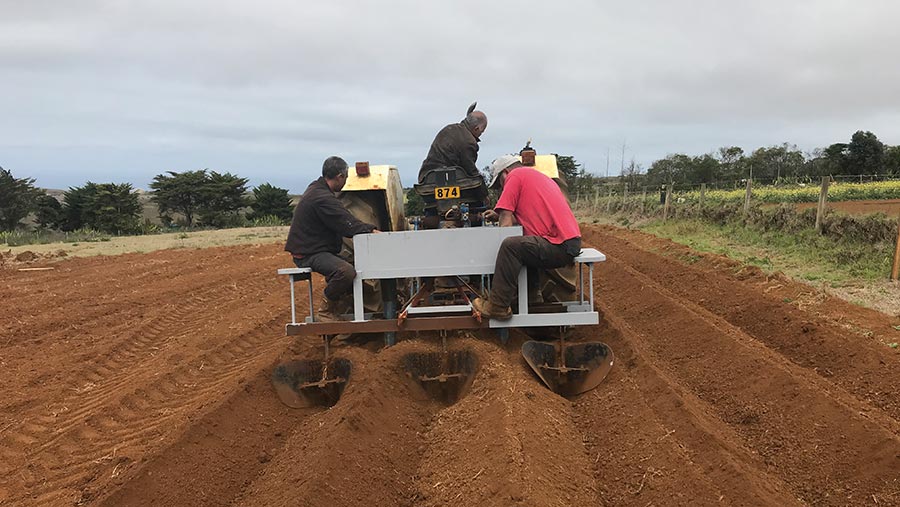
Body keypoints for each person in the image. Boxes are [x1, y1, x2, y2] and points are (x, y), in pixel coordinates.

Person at [472, 155, 582, 320]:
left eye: (500, 183)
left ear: (505, 172)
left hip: (558, 244)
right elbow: (530, 214)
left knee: (510, 246)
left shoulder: (514, 176)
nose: (502, 188)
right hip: (567, 241)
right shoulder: (538, 177)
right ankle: (532, 298)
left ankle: (498, 306)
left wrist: (498, 251)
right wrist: (498, 214)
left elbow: (506, 220)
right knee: (525, 246)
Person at [285, 156, 379, 321]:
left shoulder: (316, 188)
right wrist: (371, 230)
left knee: (352, 270)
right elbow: (347, 224)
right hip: (309, 253)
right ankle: (325, 311)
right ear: (339, 176)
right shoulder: (323, 198)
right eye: (346, 178)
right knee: (346, 272)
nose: (345, 182)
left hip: (315, 248)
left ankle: (345, 308)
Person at [417, 102, 488, 183]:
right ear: (476, 128)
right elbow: (471, 171)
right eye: (481, 132)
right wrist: (483, 193)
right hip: (452, 180)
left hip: (426, 178)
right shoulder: (469, 142)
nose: (480, 135)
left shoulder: (448, 129)